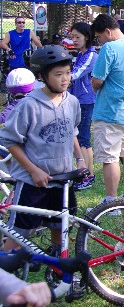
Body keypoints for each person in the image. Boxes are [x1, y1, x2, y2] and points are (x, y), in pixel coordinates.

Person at [0, 45, 85, 252]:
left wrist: (80, 158)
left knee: (61, 229)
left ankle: (56, 271)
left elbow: (71, 131)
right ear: (42, 76)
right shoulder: (29, 106)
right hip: (33, 183)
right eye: (58, 74)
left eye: (67, 73)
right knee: (18, 237)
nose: (65, 79)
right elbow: (11, 141)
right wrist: (33, 170)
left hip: (62, 181)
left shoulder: (72, 102)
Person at [91, 14, 124, 208]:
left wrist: (93, 84)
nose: (100, 41)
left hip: (109, 112)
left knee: (110, 157)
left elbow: (97, 80)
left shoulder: (109, 48)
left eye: (100, 37)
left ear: (107, 31)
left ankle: (111, 202)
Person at [69, 22, 98, 191]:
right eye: (72, 36)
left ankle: (87, 176)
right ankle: (85, 174)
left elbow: (76, 74)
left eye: (77, 37)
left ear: (86, 37)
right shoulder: (80, 54)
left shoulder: (90, 55)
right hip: (78, 100)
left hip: (86, 101)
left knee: (83, 140)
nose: (74, 40)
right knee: (81, 139)